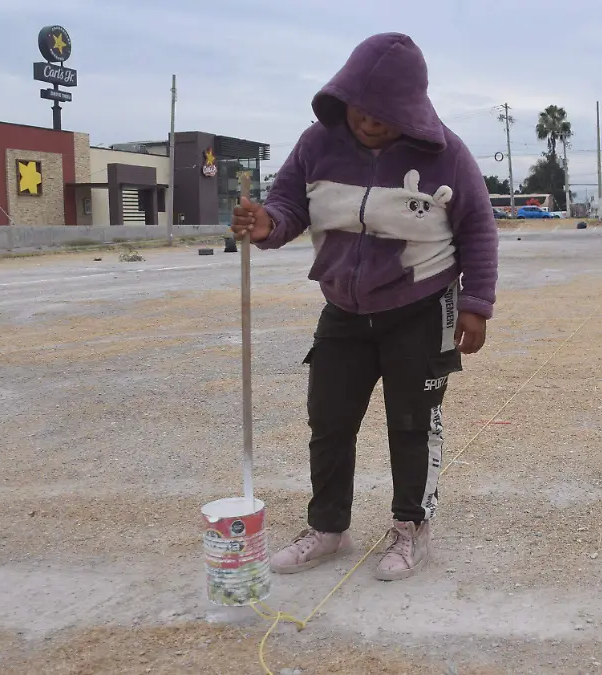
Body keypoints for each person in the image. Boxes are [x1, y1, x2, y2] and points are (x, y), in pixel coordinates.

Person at [230, 33, 498, 581]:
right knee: (328, 420)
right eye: (361, 109)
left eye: (384, 114)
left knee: (412, 424)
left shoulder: (447, 153)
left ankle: (411, 529)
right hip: (344, 311)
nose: (370, 123)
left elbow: (478, 228)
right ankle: (328, 528)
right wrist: (269, 225)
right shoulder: (316, 143)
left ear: (410, 109)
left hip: (421, 308)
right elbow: (287, 204)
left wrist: (476, 303)